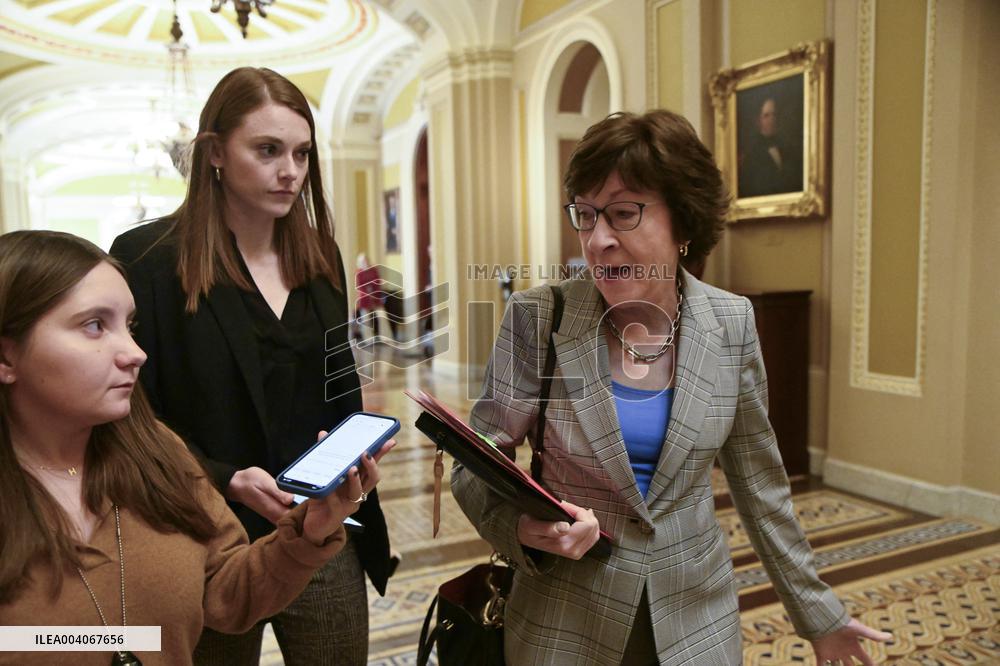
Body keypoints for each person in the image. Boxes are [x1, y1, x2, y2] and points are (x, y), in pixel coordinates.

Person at [451, 110, 891, 665]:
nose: (598, 240)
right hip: (564, 625)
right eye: (585, 215)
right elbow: (474, 464)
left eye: (623, 213)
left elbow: (760, 486)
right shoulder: (539, 317)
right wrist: (522, 528)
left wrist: (818, 614)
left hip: (695, 625)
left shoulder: (730, 323)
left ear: (683, 224)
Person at [0, 230, 390, 665]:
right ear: (7, 357)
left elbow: (225, 588)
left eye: (130, 326)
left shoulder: (157, 453)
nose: (135, 353)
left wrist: (310, 530)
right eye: (94, 326)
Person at [110, 67, 393, 666]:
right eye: (267, 150)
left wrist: (357, 449)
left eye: (301, 153)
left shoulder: (320, 255)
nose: (290, 171)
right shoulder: (148, 259)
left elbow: (337, 384)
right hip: (207, 535)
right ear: (215, 152)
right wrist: (223, 478)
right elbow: (135, 415)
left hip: (317, 524)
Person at [738, 97, 803, 197]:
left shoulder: (788, 149)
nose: (772, 119)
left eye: (774, 114)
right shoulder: (752, 154)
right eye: (766, 115)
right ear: (758, 120)